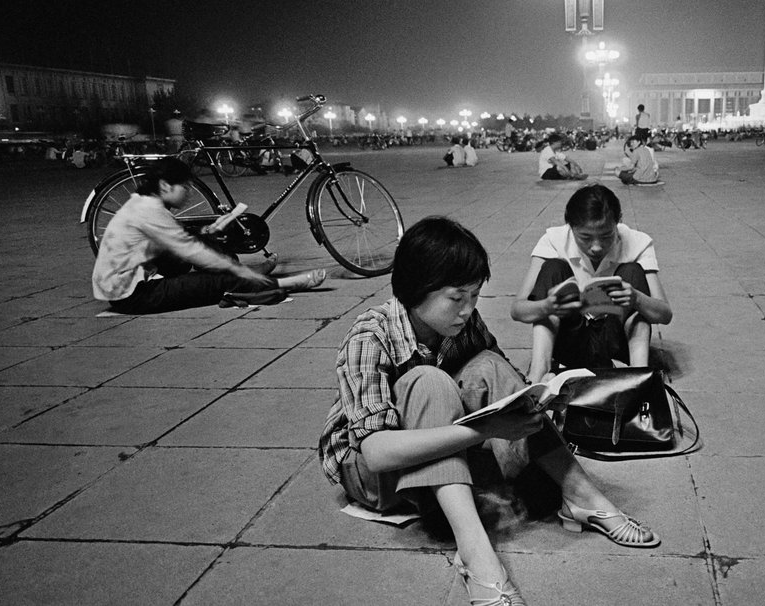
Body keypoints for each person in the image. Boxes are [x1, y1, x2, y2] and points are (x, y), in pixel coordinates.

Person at [319, 217, 659, 606]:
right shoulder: (370, 335)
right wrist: (486, 431)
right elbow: (376, 453)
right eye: (457, 298)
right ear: (416, 290)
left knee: (489, 365)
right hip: (372, 476)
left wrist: (542, 397)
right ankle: (475, 552)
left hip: (438, 452)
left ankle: (582, 496)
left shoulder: (460, 324)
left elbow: (500, 379)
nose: (468, 310)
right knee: (428, 380)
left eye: (475, 296)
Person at [92, 157, 325, 314]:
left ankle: (251, 278)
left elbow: (181, 243)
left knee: (206, 243)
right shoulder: (150, 212)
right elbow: (194, 253)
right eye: (185, 187)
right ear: (165, 186)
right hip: (136, 296)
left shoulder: (142, 204)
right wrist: (236, 268)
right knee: (219, 281)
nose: (189, 193)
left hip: (131, 283)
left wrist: (209, 234)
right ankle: (281, 283)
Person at [512, 184, 673, 383]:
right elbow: (518, 310)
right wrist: (546, 306)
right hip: (571, 342)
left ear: (618, 221)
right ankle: (537, 376)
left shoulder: (637, 242)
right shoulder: (553, 240)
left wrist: (637, 299)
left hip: (615, 342)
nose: (596, 247)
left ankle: (638, 377)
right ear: (570, 227)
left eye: (606, 236)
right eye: (585, 238)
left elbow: (665, 314)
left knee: (632, 272)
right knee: (553, 268)